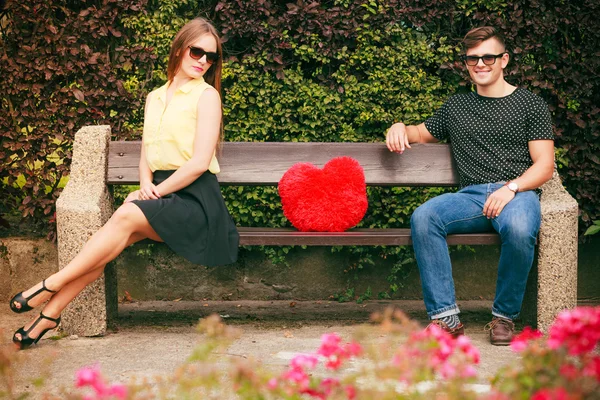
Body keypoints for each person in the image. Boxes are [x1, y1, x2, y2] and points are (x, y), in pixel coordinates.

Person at [9, 18, 239, 350]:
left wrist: (154, 192)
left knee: (124, 216)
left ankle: (49, 284)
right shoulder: (155, 97)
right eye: (196, 51)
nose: (203, 60)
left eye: (211, 57)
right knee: (110, 243)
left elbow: (199, 163)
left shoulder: (206, 97)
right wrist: (145, 183)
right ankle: (50, 314)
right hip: (162, 195)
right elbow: (148, 150)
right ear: (179, 49)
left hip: (197, 204)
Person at [385, 26, 554, 345]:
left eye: (488, 57)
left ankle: (504, 317)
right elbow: (419, 132)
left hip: (517, 193)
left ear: (504, 60)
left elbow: (544, 165)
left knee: (519, 230)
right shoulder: (456, 107)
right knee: (425, 216)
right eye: (472, 58)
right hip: (472, 197)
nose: (480, 64)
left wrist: (511, 189)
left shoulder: (530, 104)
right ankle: (445, 318)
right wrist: (398, 126)